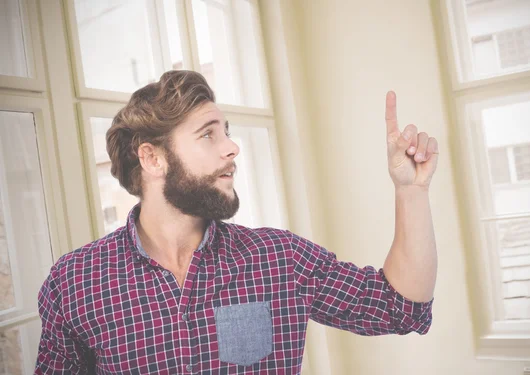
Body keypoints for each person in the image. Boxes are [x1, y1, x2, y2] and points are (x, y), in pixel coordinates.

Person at [35, 70, 438, 374]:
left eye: (225, 132)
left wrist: (411, 192)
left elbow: (399, 306)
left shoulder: (279, 258)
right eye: (208, 135)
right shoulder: (74, 282)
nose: (232, 148)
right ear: (152, 158)